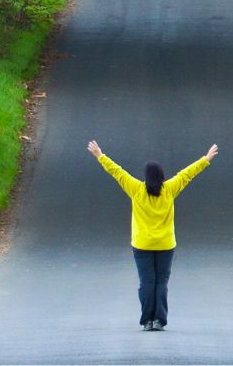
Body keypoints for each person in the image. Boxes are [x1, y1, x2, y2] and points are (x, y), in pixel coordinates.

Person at [87, 139, 217, 331]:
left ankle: (147, 320)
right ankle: (160, 320)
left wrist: (100, 155)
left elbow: (117, 172)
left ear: (146, 177)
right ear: (162, 176)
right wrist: (205, 159)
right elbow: (187, 174)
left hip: (142, 245)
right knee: (161, 282)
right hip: (165, 245)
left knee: (146, 282)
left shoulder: (137, 190)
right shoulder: (169, 190)